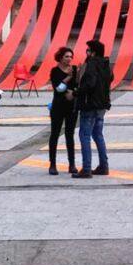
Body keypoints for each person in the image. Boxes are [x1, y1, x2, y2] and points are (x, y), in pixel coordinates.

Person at [75, 38, 113, 178]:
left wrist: (76, 92)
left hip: (90, 105)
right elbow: (110, 80)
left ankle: (86, 168)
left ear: (93, 52)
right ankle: (104, 166)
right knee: (98, 135)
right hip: (102, 105)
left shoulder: (91, 64)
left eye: (88, 50)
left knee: (84, 135)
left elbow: (89, 84)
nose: (87, 53)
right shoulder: (106, 64)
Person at [47, 45, 80, 176]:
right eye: (66, 56)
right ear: (60, 58)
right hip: (58, 106)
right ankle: (52, 164)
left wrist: (74, 92)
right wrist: (68, 78)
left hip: (71, 107)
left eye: (71, 57)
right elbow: (58, 88)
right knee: (54, 134)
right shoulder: (55, 71)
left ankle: (72, 163)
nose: (69, 59)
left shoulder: (75, 69)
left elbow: (79, 86)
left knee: (69, 135)